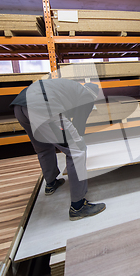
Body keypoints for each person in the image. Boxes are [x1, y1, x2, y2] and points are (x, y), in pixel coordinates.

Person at [11, 77, 106, 221]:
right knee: (77, 151)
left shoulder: (71, 89)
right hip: (41, 106)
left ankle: (51, 183)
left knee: (43, 147)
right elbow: (78, 127)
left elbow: (62, 123)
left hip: (20, 106)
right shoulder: (87, 96)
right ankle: (78, 206)